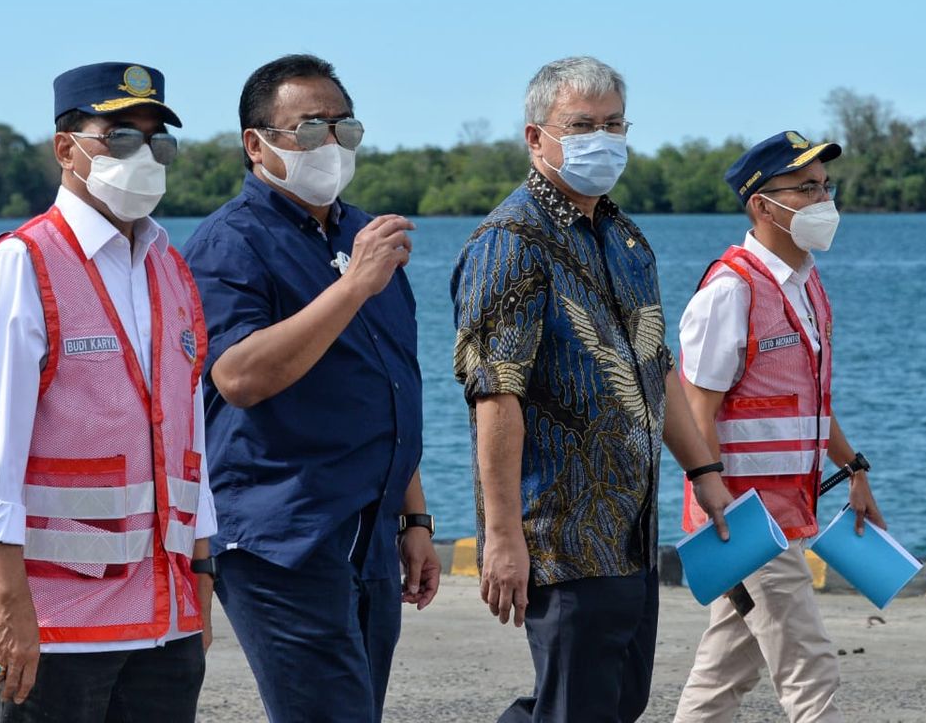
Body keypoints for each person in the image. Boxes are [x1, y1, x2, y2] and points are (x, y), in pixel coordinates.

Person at [451, 55, 732, 723]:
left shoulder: (624, 237)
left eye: (612, 124)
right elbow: (496, 396)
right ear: (535, 137)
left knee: (615, 701)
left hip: (630, 528)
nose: (600, 138)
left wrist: (706, 471)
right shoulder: (510, 242)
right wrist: (502, 537)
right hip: (563, 534)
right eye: (581, 125)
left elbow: (656, 366)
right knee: (580, 707)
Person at [0, 62, 216, 723]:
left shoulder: (170, 268)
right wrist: (8, 607)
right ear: (66, 149)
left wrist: (202, 585)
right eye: (120, 137)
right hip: (53, 624)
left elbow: (192, 445)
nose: (144, 156)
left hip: (164, 623)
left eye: (158, 142)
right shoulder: (23, 265)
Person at [181, 53, 440, 722]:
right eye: (308, 128)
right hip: (283, 539)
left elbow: (391, 386)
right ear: (256, 143)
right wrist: (352, 286)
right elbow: (238, 376)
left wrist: (414, 519)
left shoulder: (362, 235)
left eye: (343, 128)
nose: (329, 143)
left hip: (370, 533)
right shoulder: (230, 243)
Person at [673, 131, 885, 722]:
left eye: (825, 187)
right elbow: (696, 414)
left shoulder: (807, 284)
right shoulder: (729, 291)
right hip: (743, 518)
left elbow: (812, 402)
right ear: (762, 205)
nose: (824, 202)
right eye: (806, 189)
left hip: (786, 514)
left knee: (724, 674)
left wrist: (855, 469)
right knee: (811, 667)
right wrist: (716, 502)